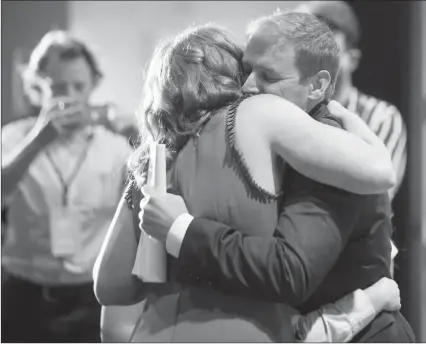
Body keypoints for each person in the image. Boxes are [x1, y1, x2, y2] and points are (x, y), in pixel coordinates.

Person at [94, 18, 402, 342]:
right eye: (248, 71)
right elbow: (380, 171)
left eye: (268, 75)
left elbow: (110, 287)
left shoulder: (151, 161)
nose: (250, 86)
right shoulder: (260, 117)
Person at [1, 30, 132, 342]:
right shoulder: (13, 138)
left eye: (79, 87)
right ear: (37, 87)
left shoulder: (115, 147)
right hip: (24, 295)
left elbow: (138, 213)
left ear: (93, 86)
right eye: (59, 87)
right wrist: (38, 141)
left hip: (91, 298)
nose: (70, 96)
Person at [294, 1, 407, 201]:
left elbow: (377, 199)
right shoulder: (292, 111)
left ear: (352, 59)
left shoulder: (381, 116)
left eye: (329, 50)